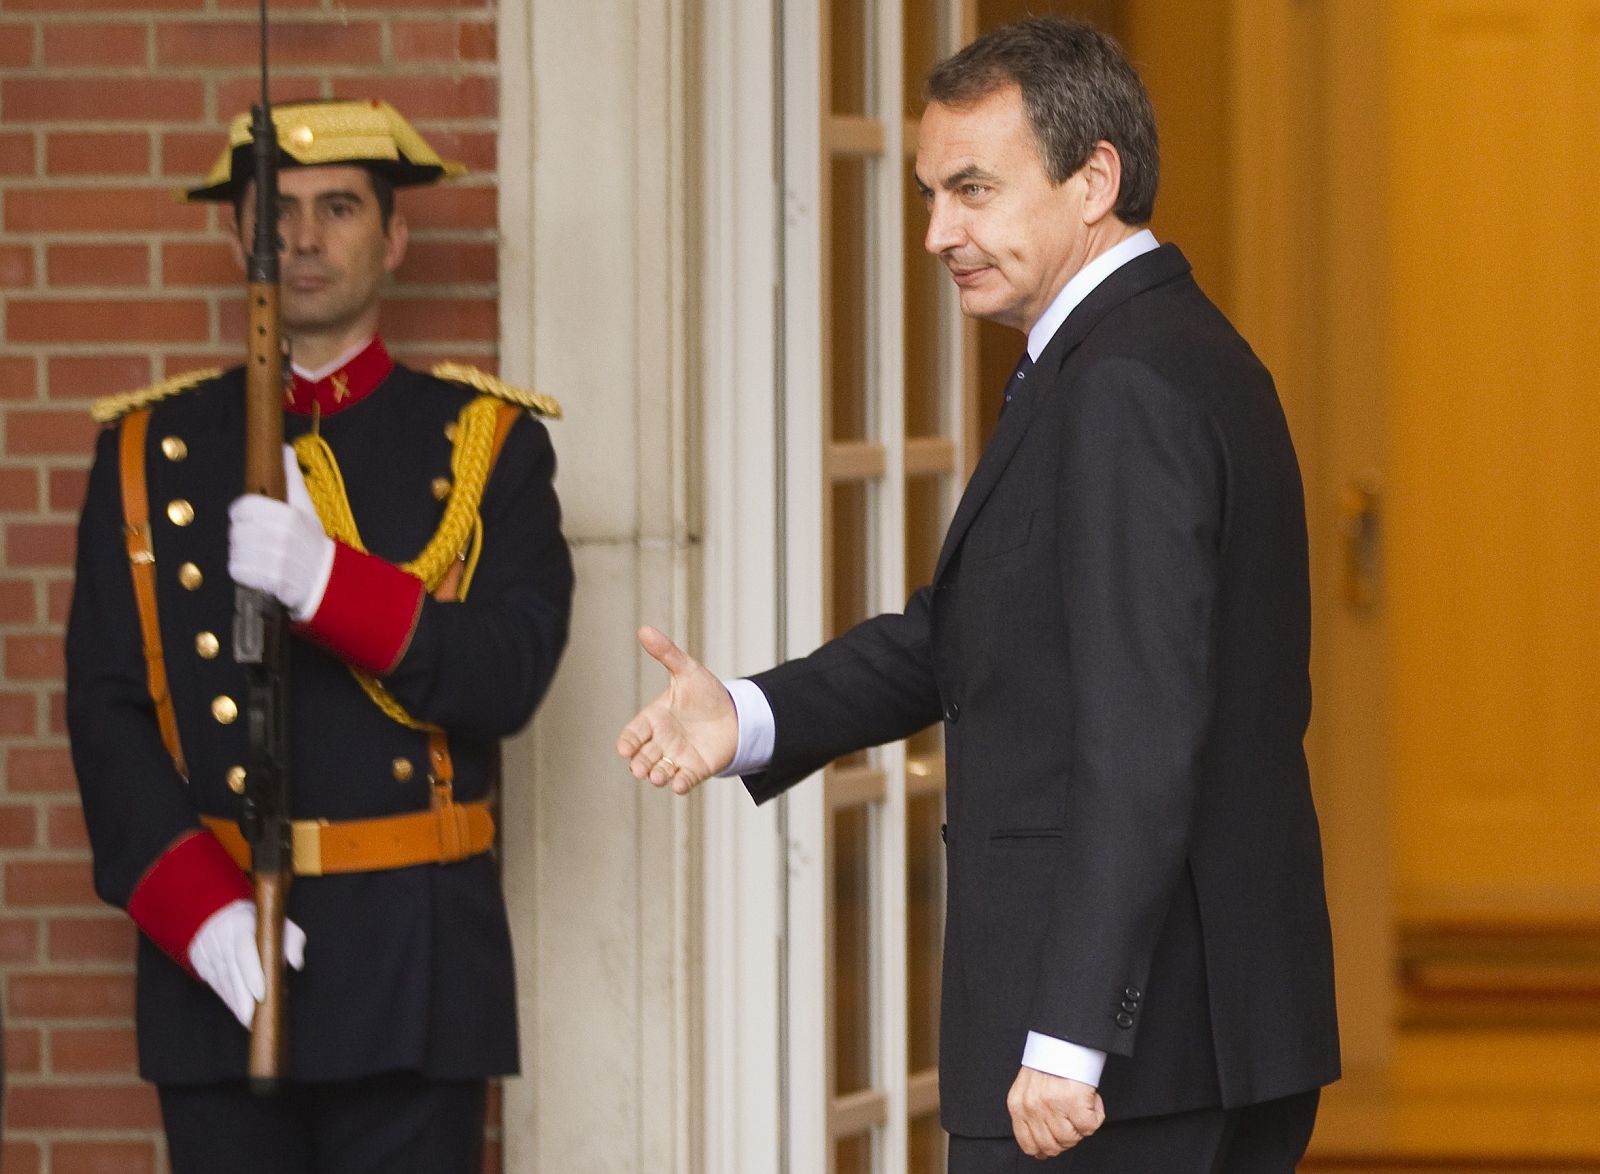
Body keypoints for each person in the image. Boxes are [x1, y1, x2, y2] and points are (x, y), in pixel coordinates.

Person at [618, 17, 1338, 1172]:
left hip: (1117, 1065)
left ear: (1092, 177)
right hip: (1208, 1033)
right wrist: (748, 716)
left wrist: (1066, 1037)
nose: (936, 232)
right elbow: (966, 635)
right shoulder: (1158, 349)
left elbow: (1145, 737)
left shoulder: (1120, 384)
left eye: (971, 190)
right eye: (927, 193)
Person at [66, 99, 573, 1173]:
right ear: (235, 234)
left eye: (337, 207)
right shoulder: (146, 450)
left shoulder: (488, 442)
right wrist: (193, 907)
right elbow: (106, 706)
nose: (300, 237)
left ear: (393, 237)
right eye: (275, 210)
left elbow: (507, 675)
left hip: (411, 958)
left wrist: (331, 585)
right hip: (217, 959)